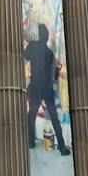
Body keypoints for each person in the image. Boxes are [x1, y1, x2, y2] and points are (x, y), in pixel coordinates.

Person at [24, 23, 70, 156]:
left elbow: (25, 56)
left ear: (39, 35)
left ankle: (31, 142)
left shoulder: (32, 46)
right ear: (47, 37)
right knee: (54, 118)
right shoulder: (50, 53)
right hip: (47, 89)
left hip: (35, 87)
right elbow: (54, 75)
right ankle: (62, 148)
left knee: (31, 115)